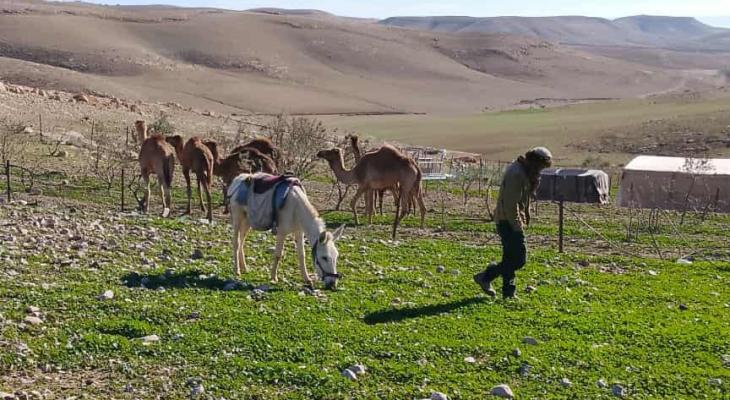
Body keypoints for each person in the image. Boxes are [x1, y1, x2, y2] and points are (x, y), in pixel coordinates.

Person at [474, 147, 553, 299]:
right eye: (541, 167)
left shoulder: (524, 171)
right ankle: (486, 276)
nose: (540, 171)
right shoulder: (517, 174)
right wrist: (517, 226)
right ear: (535, 162)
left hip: (509, 219)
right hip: (508, 221)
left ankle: (508, 293)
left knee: (509, 259)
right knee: (519, 260)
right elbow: (511, 204)